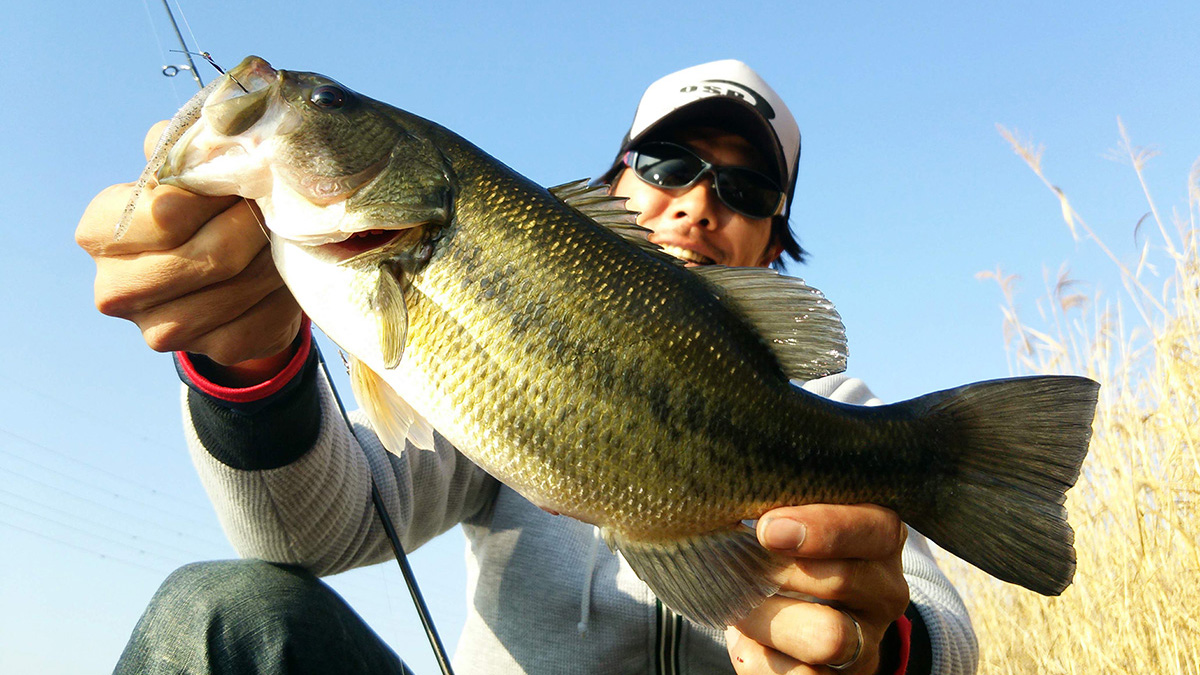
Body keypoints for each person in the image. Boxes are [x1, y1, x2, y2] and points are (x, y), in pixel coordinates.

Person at [77, 60, 977, 674]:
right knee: (220, 611)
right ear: (614, 185)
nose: (700, 204)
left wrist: (875, 643)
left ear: (773, 241)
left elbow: (945, 628)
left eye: (743, 190)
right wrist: (251, 368)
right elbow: (311, 536)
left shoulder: (831, 409)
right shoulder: (494, 331)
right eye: (669, 164)